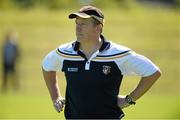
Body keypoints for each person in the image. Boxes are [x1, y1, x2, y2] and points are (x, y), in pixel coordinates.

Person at [42, 5, 161, 119]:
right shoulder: (64, 52)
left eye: (83, 24)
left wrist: (129, 99)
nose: (78, 28)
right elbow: (47, 66)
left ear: (98, 28)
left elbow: (153, 72)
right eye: (77, 23)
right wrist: (55, 97)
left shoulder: (117, 53)